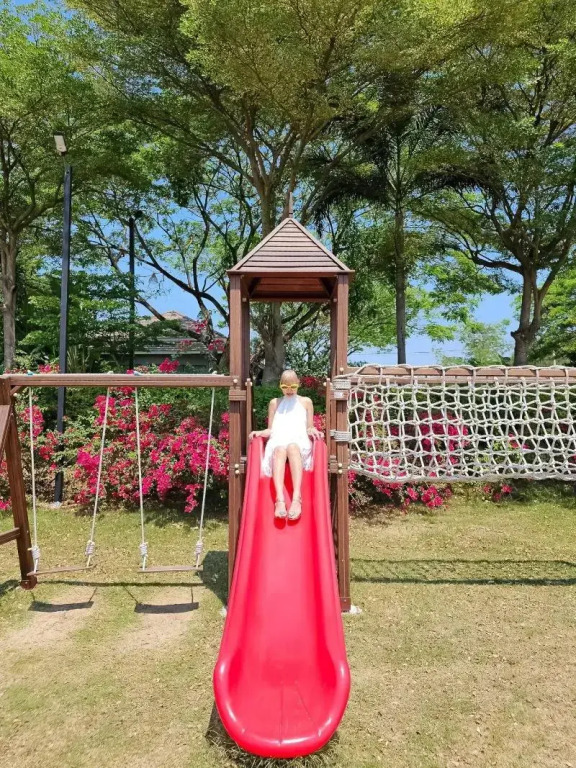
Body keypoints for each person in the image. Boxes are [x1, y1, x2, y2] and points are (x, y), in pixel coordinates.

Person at [249, 370, 323, 520]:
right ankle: (280, 499)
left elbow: (309, 426)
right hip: (279, 439)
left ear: (298, 384)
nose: (289, 390)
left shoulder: (306, 402)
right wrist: (260, 432)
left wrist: (313, 430)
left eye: (293, 386)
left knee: (292, 447)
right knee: (279, 450)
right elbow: (270, 429)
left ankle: (296, 498)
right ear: (280, 386)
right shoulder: (274, 403)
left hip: (299, 441)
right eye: (285, 387)